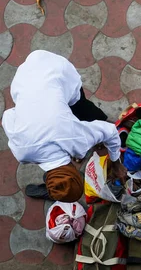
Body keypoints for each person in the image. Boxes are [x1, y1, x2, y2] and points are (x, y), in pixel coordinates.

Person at [2, 50, 127, 202]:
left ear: (74, 170)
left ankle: (94, 117)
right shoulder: (21, 152)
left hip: (56, 70)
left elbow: (111, 132)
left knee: (80, 107)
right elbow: (8, 115)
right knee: (68, 118)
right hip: (23, 77)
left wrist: (115, 162)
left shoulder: (76, 138)